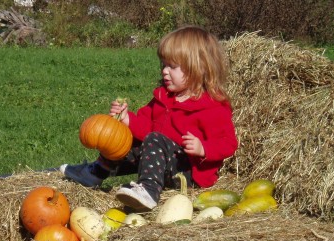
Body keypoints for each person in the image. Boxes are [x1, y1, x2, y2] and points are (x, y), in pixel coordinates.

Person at [60, 25, 238, 212]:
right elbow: (145, 128)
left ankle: (149, 191)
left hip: (187, 172)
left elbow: (228, 143)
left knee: (154, 140)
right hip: (158, 159)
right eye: (164, 65)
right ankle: (96, 172)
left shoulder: (212, 106)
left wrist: (203, 149)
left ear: (199, 68)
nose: (164, 71)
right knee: (122, 140)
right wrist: (127, 121)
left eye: (172, 66)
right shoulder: (163, 97)